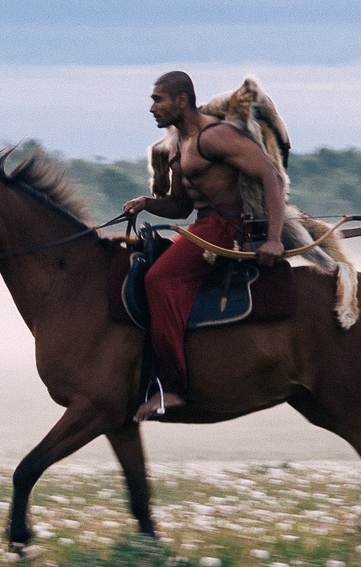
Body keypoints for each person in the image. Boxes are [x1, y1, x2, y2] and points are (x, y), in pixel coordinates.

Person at [121, 70, 289, 420]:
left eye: (158, 100)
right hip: (201, 226)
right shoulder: (178, 148)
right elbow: (182, 207)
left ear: (181, 100)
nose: (151, 108)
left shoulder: (215, 137)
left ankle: (175, 389)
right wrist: (147, 203)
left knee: (159, 280)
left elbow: (270, 176)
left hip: (225, 228)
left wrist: (274, 238)